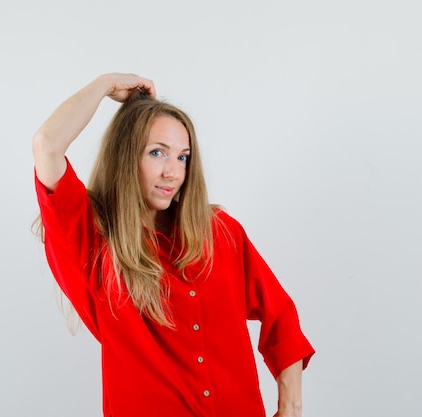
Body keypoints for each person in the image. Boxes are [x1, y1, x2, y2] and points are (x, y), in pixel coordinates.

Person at [32, 72, 315, 417]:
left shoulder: (220, 232)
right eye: (157, 153)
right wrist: (105, 85)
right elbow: (47, 143)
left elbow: (280, 314)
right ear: (125, 156)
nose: (173, 172)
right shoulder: (93, 241)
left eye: (182, 157)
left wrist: (291, 406)